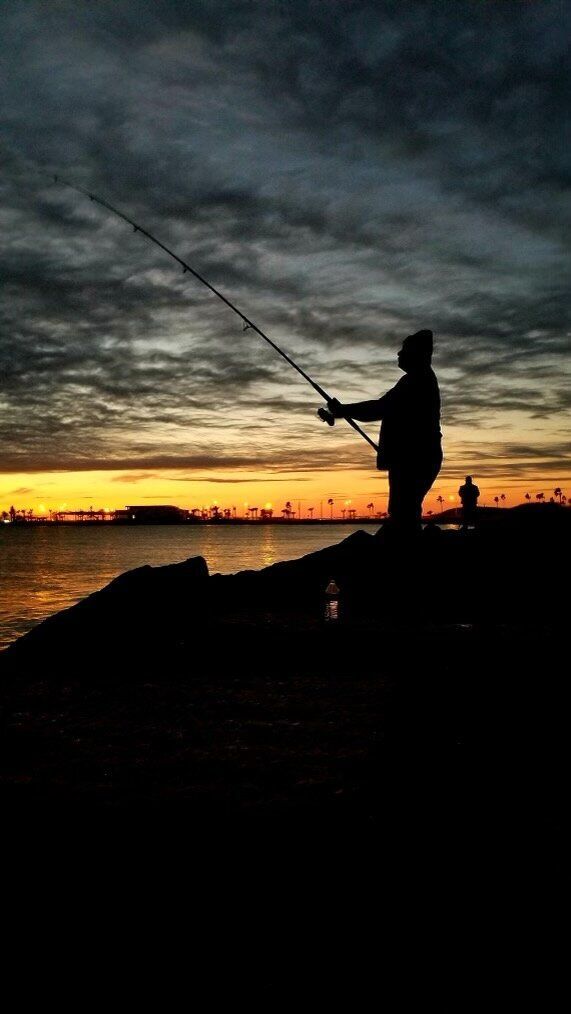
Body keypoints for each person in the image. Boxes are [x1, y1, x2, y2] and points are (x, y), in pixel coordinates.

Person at [328, 329, 442, 533]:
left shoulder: (416, 381)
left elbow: (380, 408)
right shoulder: (417, 379)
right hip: (417, 457)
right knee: (406, 512)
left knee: (403, 514)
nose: (399, 354)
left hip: (414, 459)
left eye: (404, 350)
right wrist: (343, 411)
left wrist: (343, 410)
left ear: (418, 354)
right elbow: (382, 407)